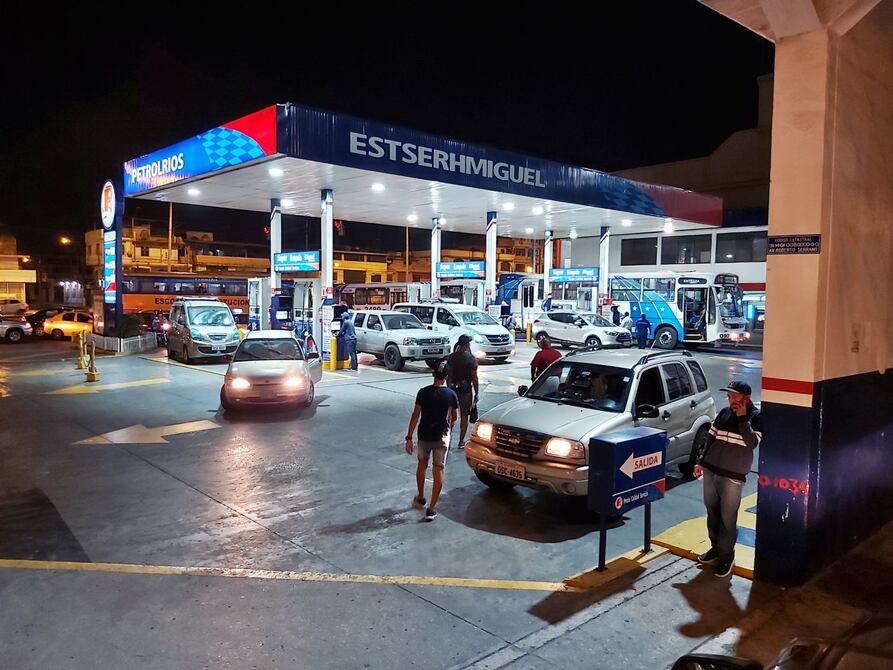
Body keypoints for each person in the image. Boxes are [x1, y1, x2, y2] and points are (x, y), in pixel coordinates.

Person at [693, 381, 762, 578]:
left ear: (746, 398)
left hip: (733, 477)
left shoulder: (756, 417)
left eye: (735, 396)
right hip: (711, 471)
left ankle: (726, 556)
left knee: (727, 519)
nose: (731, 400)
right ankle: (715, 548)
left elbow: (752, 443)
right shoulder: (724, 413)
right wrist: (700, 462)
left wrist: (742, 419)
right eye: (729, 396)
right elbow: (710, 439)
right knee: (712, 512)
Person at [404, 362, 458, 521]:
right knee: (438, 469)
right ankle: (431, 509)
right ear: (446, 377)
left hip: (424, 435)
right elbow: (454, 417)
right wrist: (448, 427)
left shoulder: (423, 392)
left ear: (433, 375)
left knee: (422, 464)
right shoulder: (451, 394)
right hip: (442, 436)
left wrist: (409, 437)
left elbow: (415, 415)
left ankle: (421, 497)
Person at [446, 334, 479, 449]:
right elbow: (474, 377)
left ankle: (447, 440)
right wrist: (477, 392)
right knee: (464, 416)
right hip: (466, 391)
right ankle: (461, 441)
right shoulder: (471, 359)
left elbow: (448, 376)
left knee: (450, 416)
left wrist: (449, 389)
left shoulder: (452, 357)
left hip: (452, 390)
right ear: (467, 345)